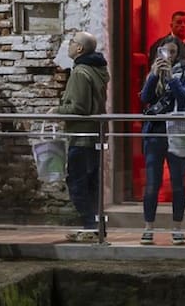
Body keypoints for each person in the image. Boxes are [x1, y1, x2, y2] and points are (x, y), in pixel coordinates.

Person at [49, 32, 110, 242]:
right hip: (95, 135)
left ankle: (90, 225)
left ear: (80, 49)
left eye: (72, 41)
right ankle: (94, 228)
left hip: (82, 136)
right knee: (91, 182)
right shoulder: (98, 70)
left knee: (77, 182)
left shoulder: (80, 72)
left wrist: (56, 111)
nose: (69, 44)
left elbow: (79, 107)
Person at [139, 37, 185, 245]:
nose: (169, 56)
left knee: (178, 182)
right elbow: (145, 98)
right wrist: (154, 76)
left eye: (173, 52)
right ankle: (148, 227)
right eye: (164, 52)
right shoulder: (153, 72)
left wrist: (172, 78)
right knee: (152, 182)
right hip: (155, 133)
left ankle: (177, 227)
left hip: (178, 133)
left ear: (179, 53)